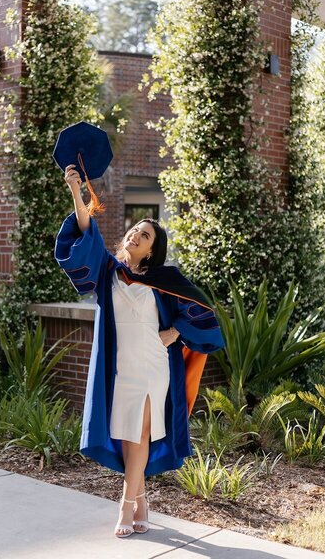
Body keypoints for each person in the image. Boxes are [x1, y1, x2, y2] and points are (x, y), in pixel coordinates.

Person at [55, 164, 224, 538]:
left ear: (152, 249)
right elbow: (86, 233)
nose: (135, 235)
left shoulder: (165, 280)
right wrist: (75, 189)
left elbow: (205, 314)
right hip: (121, 369)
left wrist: (176, 331)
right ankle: (143, 500)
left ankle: (126, 506)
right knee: (131, 437)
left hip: (152, 366)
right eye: (134, 230)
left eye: (143, 235)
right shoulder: (109, 272)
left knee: (142, 434)